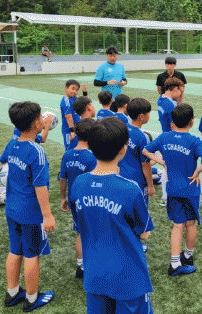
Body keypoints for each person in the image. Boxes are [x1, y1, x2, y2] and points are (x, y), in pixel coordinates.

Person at [70, 117, 154, 313]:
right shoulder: (130, 188)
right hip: (128, 276)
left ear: (91, 146)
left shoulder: (79, 184)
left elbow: (80, 224)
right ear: (123, 149)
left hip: (95, 273)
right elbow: (144, 233)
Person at [143, 104, 202, 276]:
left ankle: (174, 263)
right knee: (191, 223)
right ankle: (188, 256)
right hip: (190, 189)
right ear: (192, 121)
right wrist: (198, 171)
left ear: (172, 122)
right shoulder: (194, 140)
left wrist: (162, 162)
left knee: (177, 225)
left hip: (172, 188)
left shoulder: (164, 137)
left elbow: (145, 151)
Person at [2, 101, 55, 311]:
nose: (43, 120)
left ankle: (12, 293)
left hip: (12, 208)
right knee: (31, 253)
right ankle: (32, 298)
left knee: (15, 250)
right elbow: (39, 186)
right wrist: (47, 215)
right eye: (41, 117)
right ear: (35, 123)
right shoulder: (36, 152)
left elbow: (4, 163)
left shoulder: (13, 143)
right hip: (30, 212)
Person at [59, 118, 97, 279]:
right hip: (90, 200)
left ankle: (81, 266)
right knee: (95, 231)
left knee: (81, 232)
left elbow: (63, 178)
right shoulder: (92, 157)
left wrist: (63, 197)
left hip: (73, 197)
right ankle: (94, 263)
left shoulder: (68, 154)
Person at [120, 98, 156, 201]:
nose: (149, 116)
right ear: (141, 117)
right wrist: (150, 186)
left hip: (120, 174)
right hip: (137, 180)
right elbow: (145, 164)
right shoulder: (143, 137)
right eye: (148, 113)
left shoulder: (122, 128)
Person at [60, 79, 88, 150]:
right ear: (66, 88)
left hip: (77, 129)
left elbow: (84, 101)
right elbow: (68, 116)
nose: (75, 91)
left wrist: (84, 91)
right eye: (73, 89)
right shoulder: (66, 101)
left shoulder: (74, 98)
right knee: (70, 149)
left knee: (78, 147)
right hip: (69, 131)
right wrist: (72, 131)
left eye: (77, 90)